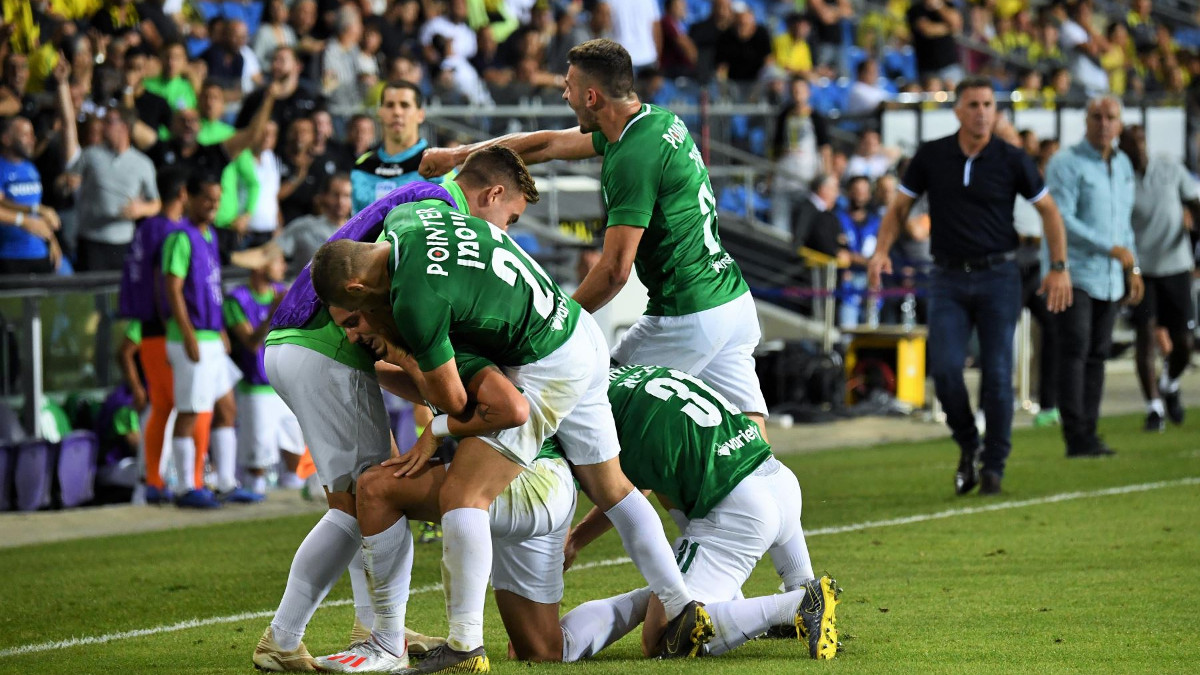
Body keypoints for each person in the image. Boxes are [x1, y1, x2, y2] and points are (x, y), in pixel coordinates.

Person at [311, 147, 710, 672]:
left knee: (463, 494)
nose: (358, 326)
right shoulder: (409, 216)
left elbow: (471, 404)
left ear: (359, 289)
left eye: (354, 315)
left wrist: (432, 419)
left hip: (546, 360)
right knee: (611, 486)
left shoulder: (414, 303)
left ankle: (464, 646)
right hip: (574, 326)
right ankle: (681, 605)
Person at [251, 149, 542, 672]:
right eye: (510, 219)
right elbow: (358, 298)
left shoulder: (421, 206)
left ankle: (375, 627)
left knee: (369, 492)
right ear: (492, 195)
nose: (505, 233)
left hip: (304, 345)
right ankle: (287, 637)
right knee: (364, 497)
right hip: (324, 350)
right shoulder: (438, 217)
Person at [418, 38, 771, 440]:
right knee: (747, 427)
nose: (564, 94)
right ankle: (767, 498)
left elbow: (615, 272)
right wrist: (459, 154)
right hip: (731, 300)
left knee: (595, 402)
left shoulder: (632, 158)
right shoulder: (654, 121)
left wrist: (555, 325)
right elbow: (548, 144)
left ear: (592, 95)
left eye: (568, 86)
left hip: (686, 312)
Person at [868, 78, 1073, 496]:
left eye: (988, 105)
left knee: (998, 375)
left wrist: (1059, 266)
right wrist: (880, 251)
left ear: (996, 113)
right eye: (973, 104)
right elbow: (899, 206)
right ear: (958, 111)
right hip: (946, 276)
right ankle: (968, 445)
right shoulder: (932, 155)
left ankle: (994, 464)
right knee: (944, 372)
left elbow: (1049, 212)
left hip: (999, 275)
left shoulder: (1013, 158)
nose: (982, 111)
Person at [1045, 96, 1141, 457]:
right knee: (1075, 348)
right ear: (1085, 121)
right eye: (1097, 117)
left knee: (1098, 353)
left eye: (1111, 117)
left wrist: (1132, 265)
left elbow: (1124, 221)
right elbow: (1062, 219)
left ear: (1119, 123)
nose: (1104, 123)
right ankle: (1075, 434)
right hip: (1074, 272)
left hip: (1111, 275)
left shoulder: (1123, 164)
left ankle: (1090, 429)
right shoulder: (1066, 163)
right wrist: (1112, 250)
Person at [160, 173, 251, 507]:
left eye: (217, 200)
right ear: (189, 197)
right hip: (191, 336)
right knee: (190, 411)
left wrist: (222, 329)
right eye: (207, 200)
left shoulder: (209, 235)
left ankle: (225, 482)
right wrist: (188, 334)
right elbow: (172, 287)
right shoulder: (180, 238)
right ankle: (184, 487)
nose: (213, 206)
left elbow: (210, 286)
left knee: (226, 408)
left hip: (211, 334)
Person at [1119, 124, 1200, 432]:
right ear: (1123, 147)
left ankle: (1170, 381)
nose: (1138, 149)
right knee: (1145, 336)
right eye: (1131, 143)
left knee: (1184, 341)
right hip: (1141, 270)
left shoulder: (1169, 168)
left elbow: (1193, 203)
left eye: (1141, 142)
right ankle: (1153, 407)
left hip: (1176, 264)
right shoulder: (1120, 176)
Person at [223, 254, 301, 496]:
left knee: (295, 450)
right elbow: (250, 343)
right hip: (255, 388)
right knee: (257, 460)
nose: (284, 266)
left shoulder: (283, 291)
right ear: (259, 267)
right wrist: (271, 313)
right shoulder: (237, 299)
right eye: (278, 261)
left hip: (285, 383)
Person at [71, 106, 161, 271]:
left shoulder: (143, 163)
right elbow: (67, 180)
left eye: (109, 122)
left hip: (123, 242)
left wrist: (142, 209)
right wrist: (66, 183)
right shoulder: (90, 155)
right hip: (91, 240)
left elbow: (156, 203)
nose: (103, 126)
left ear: (124, 127)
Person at [351, 80, 435, 214]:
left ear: (420, 115)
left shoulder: (439, 166)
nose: (397, 112)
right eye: (390, 105)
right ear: (380, 112)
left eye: (405, 105)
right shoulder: (363, 166)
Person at [771, 77, 831, 234]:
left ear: (808, 92)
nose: (798, 94)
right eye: (794, 90)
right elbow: (775, 147)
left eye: (801, 90)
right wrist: (771, 174)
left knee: (803, 225)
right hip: (784, 178)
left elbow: (825, 148)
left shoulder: (816, 117)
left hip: (807, 179)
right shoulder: (784, 115)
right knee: (779, 225)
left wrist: (826, 176)